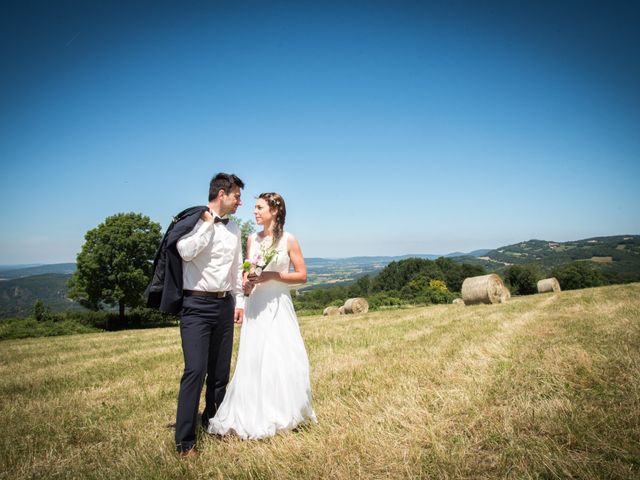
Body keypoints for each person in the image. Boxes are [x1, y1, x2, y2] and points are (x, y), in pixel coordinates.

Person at [208, 192, 316, 439]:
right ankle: (252, 410)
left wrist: (274, 276)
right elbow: (247, 274)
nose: (254, 212)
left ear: (274, 210)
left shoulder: (289, 240)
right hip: (256, 304)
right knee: (254, 357)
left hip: (278, 303)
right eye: (254, 208)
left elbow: (302, 276)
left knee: (282, 354)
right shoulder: (251, 239)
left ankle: (284, 411)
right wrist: (247, 285)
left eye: (259, 208)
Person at [174, 173, 245, 457]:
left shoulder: (235, 229)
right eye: (236, 195)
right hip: (196, 306)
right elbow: (185, 252)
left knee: (219, 373)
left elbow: (236, 267)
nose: (239, 201)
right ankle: (185, 442)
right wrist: (206, 227)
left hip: (224, 304)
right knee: (195, 370)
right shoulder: (194, 220)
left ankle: (214, 423)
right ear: (221, 194)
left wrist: (238, 300)